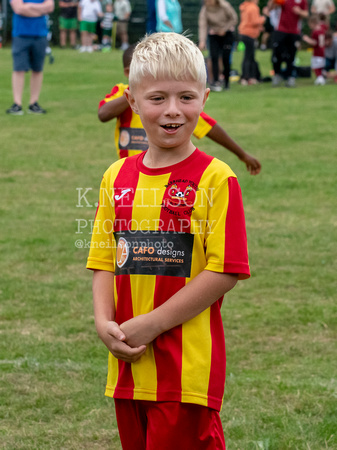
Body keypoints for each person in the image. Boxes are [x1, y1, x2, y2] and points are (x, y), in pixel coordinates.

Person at [87, 31, 251, 449]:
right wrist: (105, 324)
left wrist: (153, 324)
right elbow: (105, 259)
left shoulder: (216, 178)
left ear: (205, 98)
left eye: (186, 97)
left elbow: (226, 269)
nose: (173, 110)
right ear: (134, 101)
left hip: (185, 371)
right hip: (128, 365)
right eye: (157, 98)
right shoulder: (115, 177)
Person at [98, 44, 261, 174]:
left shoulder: (179, 108)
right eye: (156, 99)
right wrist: (137, 92)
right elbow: (104, 114)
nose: (171, 111)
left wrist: (242, 155)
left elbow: (210, 128)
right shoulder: (121, 94)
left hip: (169, 176)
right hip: (131, 175)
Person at [6, 0, 55, 115]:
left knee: (37, 70)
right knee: (19, 69)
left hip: (40, 34)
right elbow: (18, 9)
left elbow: (50, 7)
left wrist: (28, 7)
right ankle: (17, 104)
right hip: (21, 34)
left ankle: (34, 103)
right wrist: (40, 10)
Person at [198, 0, 238, 91]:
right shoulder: (205, 10)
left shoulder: (224, 6)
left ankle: (227, 82)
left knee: (225, 58)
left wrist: (224, 29)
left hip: (227, 34)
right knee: (214, 57)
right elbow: (202, 25)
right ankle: (215, 82)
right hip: (214, 35)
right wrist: (202, 41)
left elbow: (234, 19)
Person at [269, 0, 308, 87]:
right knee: (277, 53)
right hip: (281, 29)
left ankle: (290, 77)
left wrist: (300, 11)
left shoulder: (302, 1)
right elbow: (271, 8)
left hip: (294, 31)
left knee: (292, 55)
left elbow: (306, 14)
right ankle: (277, 75)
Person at [238, 0, 266, 85]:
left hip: (243, 32)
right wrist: (263, 18)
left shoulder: (245, 6)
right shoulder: (254, 7)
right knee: (249, 56)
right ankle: (246, 77)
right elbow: (255, 22)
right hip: (250, 34)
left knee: (249, 56)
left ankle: (249, 76)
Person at [302, 14, 328, 85]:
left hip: (317, 51)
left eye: (310, 25)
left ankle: (320, 78)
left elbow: (315, 43)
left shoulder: (315, 32)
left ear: (313, 23)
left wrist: (306, 39)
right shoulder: (322, 29)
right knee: (320, 66)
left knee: (315, 66)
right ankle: (321, 77)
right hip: (323, 50)